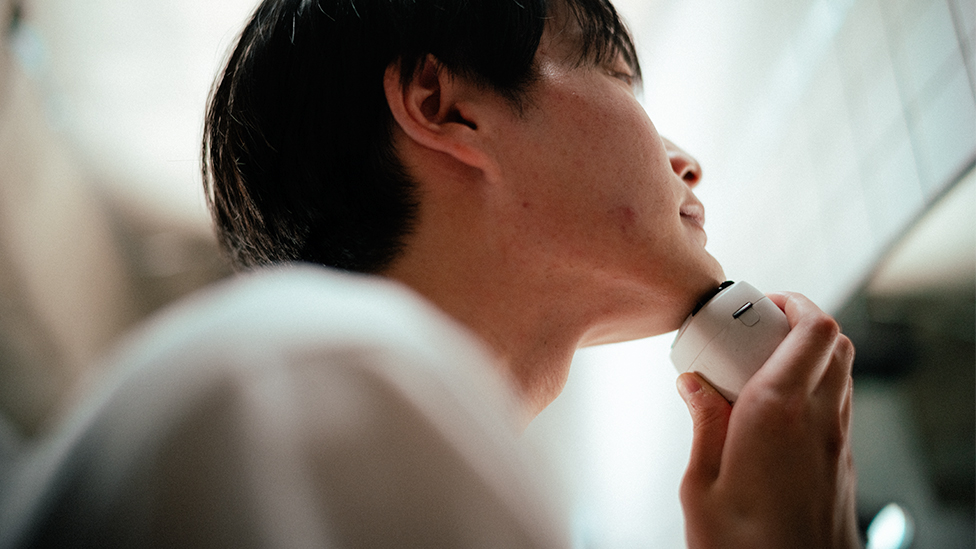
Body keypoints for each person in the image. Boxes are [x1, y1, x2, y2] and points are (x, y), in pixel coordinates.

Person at [0, 0, 861, 547]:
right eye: (614, 73)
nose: (688, 163)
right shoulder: (312, 384)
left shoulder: (331, 398)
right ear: (443, 106)